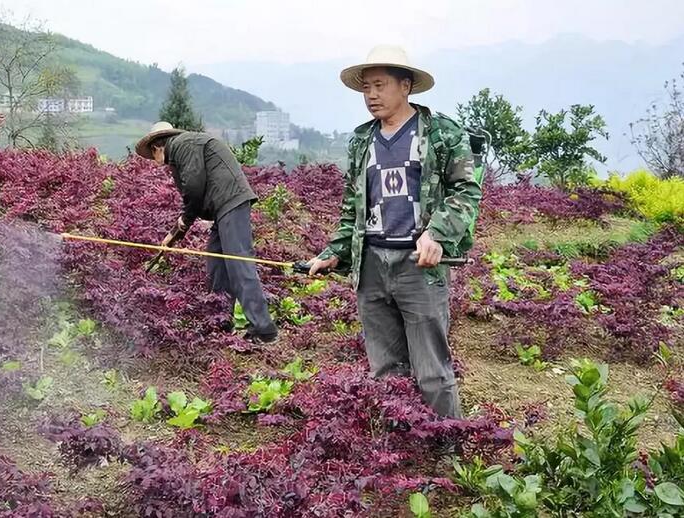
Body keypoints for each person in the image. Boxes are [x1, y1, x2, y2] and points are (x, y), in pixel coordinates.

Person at [306, 45, 482, 418]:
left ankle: (446, 449)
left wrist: (437, 234)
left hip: (419, 265)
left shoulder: (442, 134)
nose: (371, 95)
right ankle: (398, 450)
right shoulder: (361, 141)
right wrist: (334, 252)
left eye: (380, 85)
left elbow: (467, 190)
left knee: (432, 371)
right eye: (366, 87)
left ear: (406, 86)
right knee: (385, 370)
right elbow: (352, 206)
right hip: (371, 264)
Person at [136, 122, 279, 344]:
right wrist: (176, 231)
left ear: (157, 147)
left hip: (231, 202)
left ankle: (263, 328)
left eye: (151, 156)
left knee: (238, 264)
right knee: (217, 265)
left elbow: (193, 186)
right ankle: (219, 322)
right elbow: (193, 195)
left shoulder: (183, 144)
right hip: (223, 208)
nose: (154, 163)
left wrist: (183, 221)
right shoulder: (180, 151)